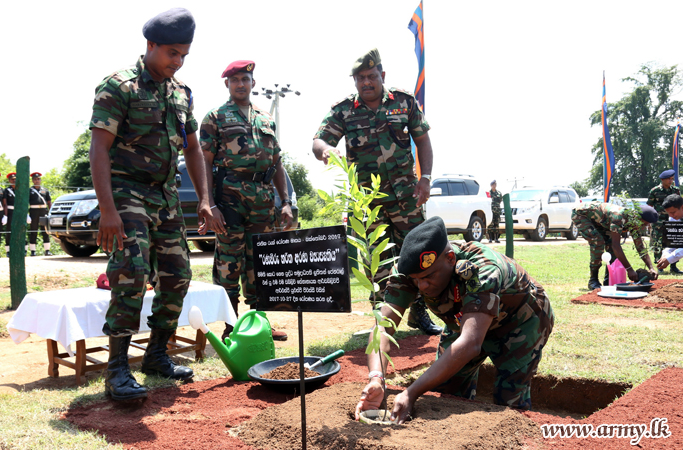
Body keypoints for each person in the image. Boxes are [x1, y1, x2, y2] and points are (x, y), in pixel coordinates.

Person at [88, 8, 214, 402]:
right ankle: (117, 369)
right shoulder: (118, 86)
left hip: (166, 197)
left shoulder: (181, 93)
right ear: (151, 45)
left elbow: (193, 150)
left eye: (184, 56)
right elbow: (99, 150)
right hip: (126, 193)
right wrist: (108, 210)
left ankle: (157, 354)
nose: (177, 62)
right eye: (172, 53)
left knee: (178, 273)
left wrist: (206, 201)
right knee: (131, 271)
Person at [354, 216, 554, 424]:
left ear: (450, 258)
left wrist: (411, 392)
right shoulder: (410, 270)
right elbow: (383, 329)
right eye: (416, 279)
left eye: (428, 276)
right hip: (464, 321)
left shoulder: (481, 267)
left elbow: (470, 343)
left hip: (521, 321)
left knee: (509, 402)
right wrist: (377, 378)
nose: (421, 286)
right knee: (447, 391)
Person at [311, 48, 441, 336]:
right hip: (368, 200)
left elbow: (423, 140)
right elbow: (318, 140)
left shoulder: (404, 101)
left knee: (418, 255)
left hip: (407, 196)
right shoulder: (344, 109)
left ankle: (419, 313)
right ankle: (382, 319)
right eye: (360, 78)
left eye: (371, 76)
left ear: (383, 75)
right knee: (377, 261)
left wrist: (426, 178)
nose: (366, 82)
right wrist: (327, 150)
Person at [200, 60, 293, 342]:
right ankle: (232, 326)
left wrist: (286, 201)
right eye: (235, 80)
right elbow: (204, 161)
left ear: (253, 83)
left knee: (262, 262)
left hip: (263, 199)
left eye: (245, 79)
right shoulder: (215, 117)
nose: (241, 84)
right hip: (229, 196)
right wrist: (208, 203)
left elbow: (277, 163)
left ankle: (259, 322)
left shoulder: (266, 119)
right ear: (227, 84)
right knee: (230, 263)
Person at [572, 201, 659, 290]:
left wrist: (651, 268)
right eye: (644, 223)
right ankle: (593, 280)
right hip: (581, 215)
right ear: (637, 217)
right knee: (598, 242)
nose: (645, 227)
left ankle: (608, 280)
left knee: (611, 249)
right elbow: (616, 245)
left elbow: (640, 246)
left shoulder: (633, 222)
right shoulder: (618, 217)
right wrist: (629, 269)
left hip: (600, 220)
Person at [647, 169, 681, 274]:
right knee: (658, 242)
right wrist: (649, 221)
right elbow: (650, 206)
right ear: (662, 180)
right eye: (668, 179)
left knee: (674, 240)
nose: (670, 181)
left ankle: (673, 266)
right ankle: (659, 265)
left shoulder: (675, 190)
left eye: (672, 179)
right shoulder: (654, 191)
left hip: (673, 220)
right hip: (658, 221)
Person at [656, 194, 683, 273]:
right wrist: (666, 253)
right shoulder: (673, 218)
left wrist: (670, 258)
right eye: (669, 213)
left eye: (673, 212)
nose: (671, 216)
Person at [28, 172, 52, 256]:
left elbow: (49, 202)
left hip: (43, 211)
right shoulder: (29, 191)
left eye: (38, 179)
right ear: (33, 180)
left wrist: (50, 212)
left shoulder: (45, 190)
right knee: (33, 230)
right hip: (33, 212)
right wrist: (27, 215)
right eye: (35, 179)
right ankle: (33, 251)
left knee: (45, 231)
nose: (37, 180)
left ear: (40, 180)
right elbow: (26, 203)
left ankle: (47, 250)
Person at [2, 172, 22, 256]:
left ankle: (21, 249)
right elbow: (5, 204)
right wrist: (5, 215)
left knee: (21, 229)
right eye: (12, 179)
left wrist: (26, 214)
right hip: (10, 212)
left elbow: (24, 203)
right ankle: (8, 250)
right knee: (9, 231)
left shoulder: (21, 190)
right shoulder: (6, 190)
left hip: (19, 212)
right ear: (9, 180)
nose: (14, 181)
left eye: (15, 179)